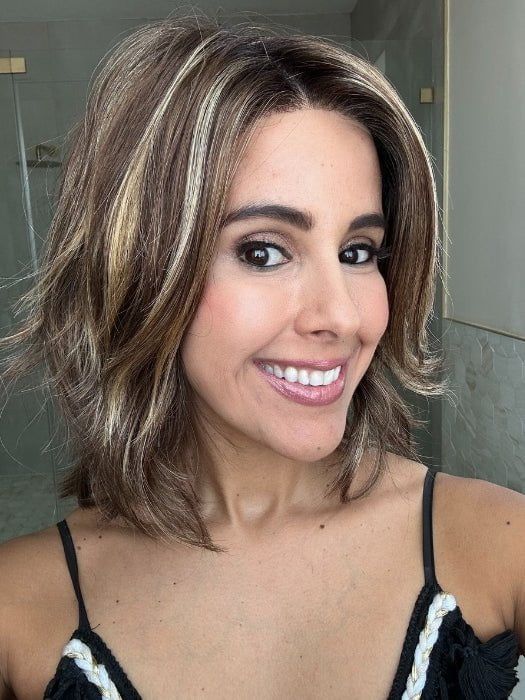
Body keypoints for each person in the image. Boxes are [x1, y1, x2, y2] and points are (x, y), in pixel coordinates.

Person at [0, 13, 523, 700]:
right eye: (262, 251)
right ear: (141, 271)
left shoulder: (497, 544)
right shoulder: (21, 607)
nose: (342, 316)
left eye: (358, 252)